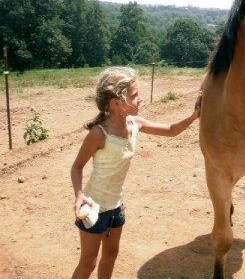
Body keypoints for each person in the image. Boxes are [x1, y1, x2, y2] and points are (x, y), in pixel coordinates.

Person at [70, 66, 201, 279]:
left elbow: (170, 130)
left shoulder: (135, 124)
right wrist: (78, 195)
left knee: (111, 254)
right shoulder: (99, 134)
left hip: (115, 207)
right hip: (93, 207)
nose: (140, 99)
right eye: (134, 95)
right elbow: (77, 166)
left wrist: (194, 116)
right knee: (88, 263)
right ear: (116, 103)